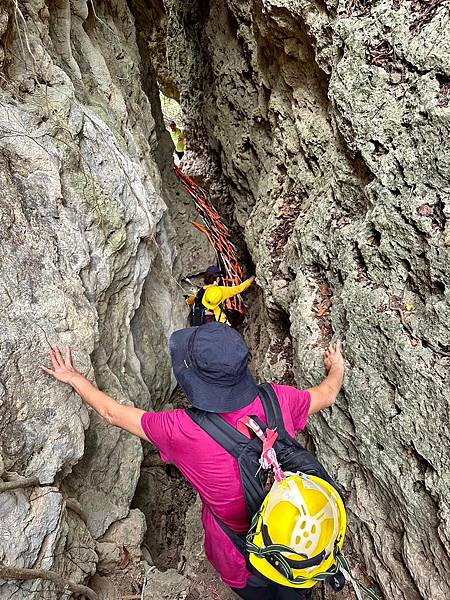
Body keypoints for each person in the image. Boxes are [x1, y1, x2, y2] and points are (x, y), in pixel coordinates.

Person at [42, 324, 345, 600]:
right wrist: (336, 368)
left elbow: (113, 414)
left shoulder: (183, 430)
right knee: (290, 586)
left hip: (238, 554)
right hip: (295, 541)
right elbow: (328, 394)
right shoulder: (279, 399)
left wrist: (74, 378)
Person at [186, 267, 255, 325]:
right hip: (219, 322)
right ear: (217, 279)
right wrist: (252, 278)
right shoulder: (221, 290)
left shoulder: (200, 291)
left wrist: (188, 299)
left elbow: (190, 300)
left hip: (201, 323)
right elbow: (239, 289)